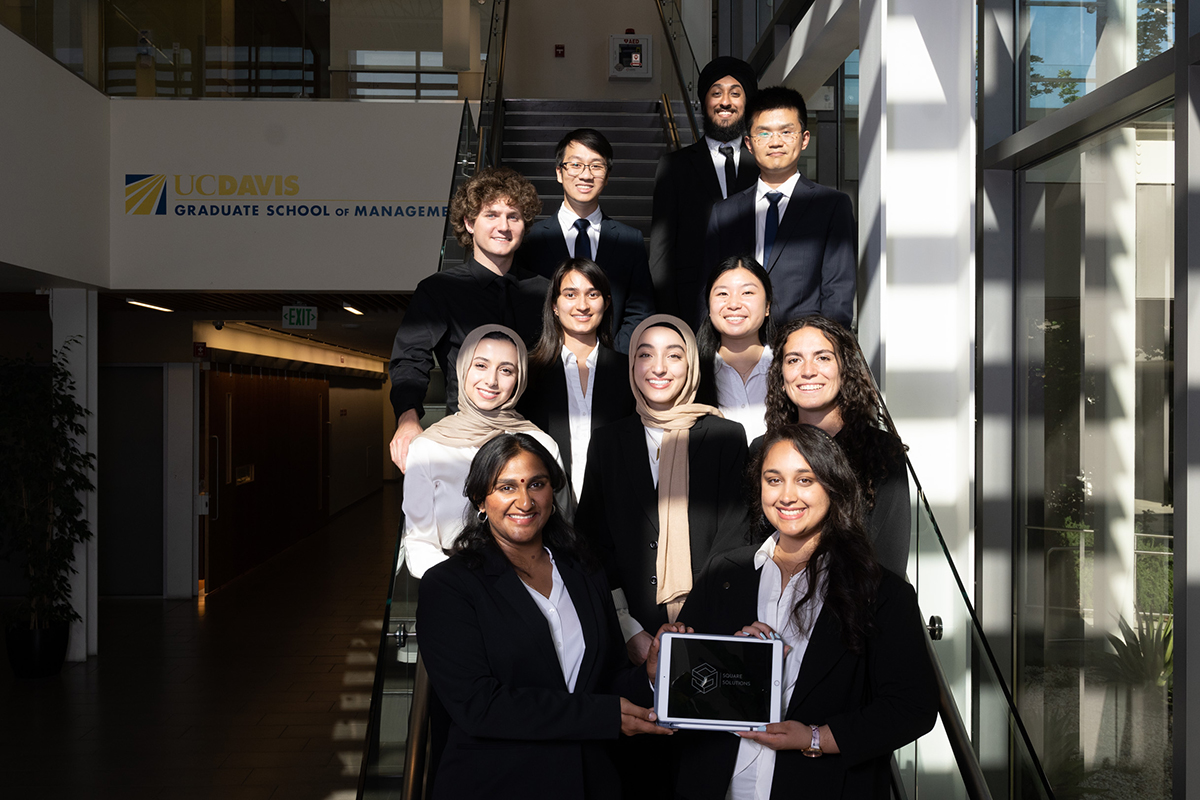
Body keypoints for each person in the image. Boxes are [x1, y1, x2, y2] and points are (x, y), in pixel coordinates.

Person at [666, 424, 937, 799]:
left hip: (824, 784)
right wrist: (670, 668)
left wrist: (815, 737)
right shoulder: (723, 574)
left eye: (805, 480)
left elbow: (913, 707)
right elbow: (685, 693)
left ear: (833, 486)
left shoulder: (880, 592)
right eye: (773, 479)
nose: (786, 496)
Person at [416, 433, 672, 799]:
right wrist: (598, 716)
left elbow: (604, 682)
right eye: (506, 487)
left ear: (553, 493)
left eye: (537, 484)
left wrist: (647, 676)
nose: (524, 501)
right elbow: (479, 705)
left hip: (589, 783)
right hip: (497, 784)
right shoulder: (449, 586)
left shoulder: (584, 570)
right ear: (480, 500)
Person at [576, 314, 750, 665]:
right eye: (645, 354)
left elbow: (735, 536)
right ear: (632, 365)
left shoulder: (726, 437)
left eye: (674, 355)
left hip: (711, 628)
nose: (659, 368)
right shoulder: (609, 441)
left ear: (691, 365)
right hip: (630, 637)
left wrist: (693, 626)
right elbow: (591, 542)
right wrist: (629, 630)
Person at [388, 166, 548, 472]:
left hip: (534, 440)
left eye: (513, 216)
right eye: (491, 215)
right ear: (468, 222)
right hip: (464, 444)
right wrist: (407, 419)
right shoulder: (438, 290)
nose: (504, 226)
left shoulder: (545, 291)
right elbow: (410, 359)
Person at [400, 324, 562, 578]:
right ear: (463, 368)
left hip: (530, 583)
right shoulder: (428, 447)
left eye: (506, 370)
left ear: (519, 379)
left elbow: (559, 530)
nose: (491, 380)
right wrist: (469, 587)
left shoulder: (540, 444)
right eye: (481, 365)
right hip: (453, 587)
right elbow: (419, 543)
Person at [762, 316, 910, 576]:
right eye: (794, 359)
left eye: (823, 357)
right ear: (781, 375)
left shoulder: (881, 451)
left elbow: (890, 558)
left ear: (845, 369)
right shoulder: (761, 451)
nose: (807, 370)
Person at [704, 85, 856, 328]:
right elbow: (710, 287)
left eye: (786, 132)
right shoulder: (725, 213)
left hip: (802, 350)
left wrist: (823, 348)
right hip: (738, 347)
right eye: (763, 134)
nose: (775, 142)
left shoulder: (831, 206)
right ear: (749, 143)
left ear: (804, 139)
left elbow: (838, 291)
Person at [515, 128, 655, 352]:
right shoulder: (531, 240)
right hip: (547, 363)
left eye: (596, 166)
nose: (586, 175)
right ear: (559, 172)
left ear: (607, 176)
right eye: (576, 164)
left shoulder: (630, 240)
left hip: (612, 364)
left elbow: (640, 309)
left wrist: (612, 356)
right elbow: (522, 306)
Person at [649, 57, 760, 323]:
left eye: (735, 93)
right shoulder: (674, 166)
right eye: (716, 93)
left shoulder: (762, 164)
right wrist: (669, 318)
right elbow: (661, 252)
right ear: (704, 101)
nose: (725, 102)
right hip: (693, 307)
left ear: (747, 103)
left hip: (754, 305)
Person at [519, 258, 635, 499]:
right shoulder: (529, 372)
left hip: (615, 507)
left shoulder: (630, 372)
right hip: (546, 510)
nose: (582, 305)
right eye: (570, 295)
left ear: (607, 302)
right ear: (554, 304)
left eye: (593, 294)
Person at [695, 255, 774, 443]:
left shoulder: (789, 369)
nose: (734, 304)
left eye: (747, 293)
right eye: (722, 294)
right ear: (709, 306)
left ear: (767, 307)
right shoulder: (691, 374)